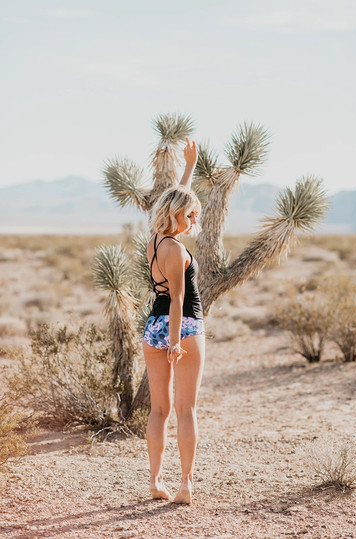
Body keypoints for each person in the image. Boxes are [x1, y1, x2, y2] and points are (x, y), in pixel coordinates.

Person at [142, 137, 205, 504]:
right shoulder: (178, 250)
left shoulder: (155, 240)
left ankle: (154, 481)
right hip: (185, 327)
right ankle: (184, 485)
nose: (193, 220)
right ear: (178, 215)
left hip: (153, 326)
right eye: (191, 215)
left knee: (158, 409)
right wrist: (177, 342)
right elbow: (179, 299)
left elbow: (178, 198)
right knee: (186, 409)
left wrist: (189, 168)